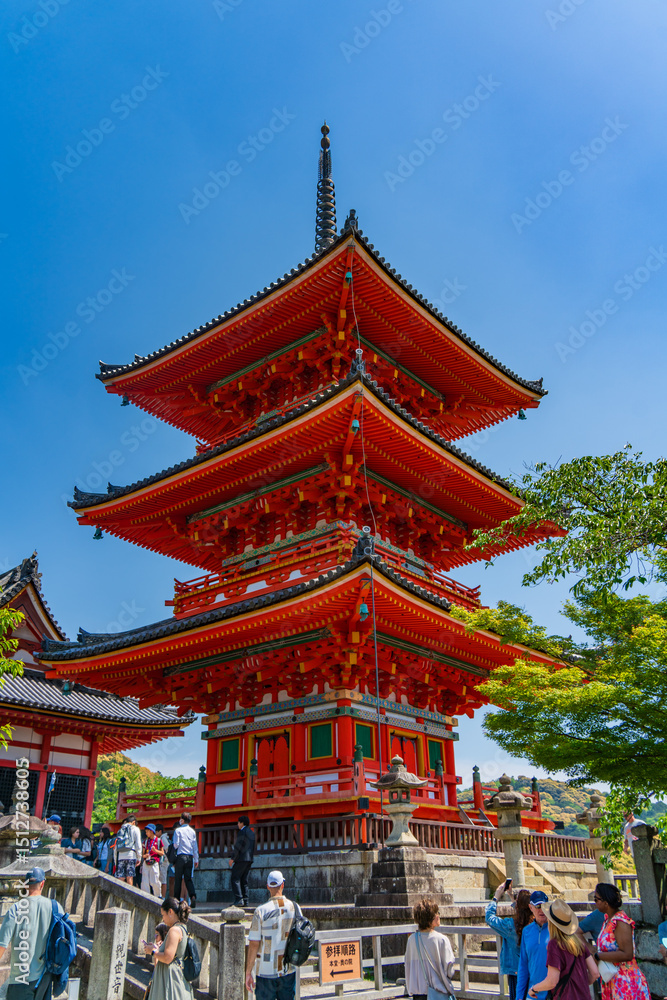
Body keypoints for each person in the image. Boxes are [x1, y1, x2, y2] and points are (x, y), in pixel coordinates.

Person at [0, 865, 65, 999]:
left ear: (25, 886)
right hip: (44, 978)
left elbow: (2, 945)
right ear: (42, 884)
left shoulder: (15, 909)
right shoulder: (55, 907)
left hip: (19, 980)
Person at [528, 898, 599, 999]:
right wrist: (579, 984)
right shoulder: (579, 943)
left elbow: (552, 981)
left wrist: (533, 989)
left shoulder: (554, 945)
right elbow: (595, 973)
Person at [592, 882, 650, 999]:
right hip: (613, 979)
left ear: (606, 902)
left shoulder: (620, 921)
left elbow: (627, 954)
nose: (595, 903)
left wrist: (599, 956)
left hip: (625, 982)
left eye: (596, 899)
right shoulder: (608, 920)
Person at [246, 871, 297, 1000]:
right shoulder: (294, 907)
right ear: (283, 885)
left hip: (265, 971)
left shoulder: (261, 911)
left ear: (268, 886)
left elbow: (254, 943)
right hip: (287, 969)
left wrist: (248, 972)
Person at [485, 883, 531, 1000]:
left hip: (516, 972)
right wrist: (513, 898)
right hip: (533, 971)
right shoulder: (535, 926)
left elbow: (489, 918)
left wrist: (496, 897)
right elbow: (524, 911)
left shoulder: (510, 926)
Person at [404, 897, 456, 1000]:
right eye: (437, 913)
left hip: (418, 994)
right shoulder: (441, 940)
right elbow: (449, 970)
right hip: (437, 993)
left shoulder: (412, 940)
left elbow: (408, 966)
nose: (438, 916)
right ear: (430, 919)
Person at [143, 896, 193, 999]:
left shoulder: (174, 930)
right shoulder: (182, 928)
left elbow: (167, 957)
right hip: (172, 976)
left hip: (170, 979)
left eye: (163, 915)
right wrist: (157, 949)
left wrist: (152, 951)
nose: (163, 919)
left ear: (170, 912)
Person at [517, 890, 550, 1000]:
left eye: (544, 906)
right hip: (533, 995)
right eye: (537, 906)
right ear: (531, 908)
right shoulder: (526, 932)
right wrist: (519, 997)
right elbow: (523, 966)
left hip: (555, 994)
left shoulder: (556, 930)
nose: (541, 910)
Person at [173, 811, 198, 908]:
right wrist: (196, 859)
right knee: (188, 879)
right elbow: (195, 846)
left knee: (178, 879)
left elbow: (176, 844)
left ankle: (176, 900)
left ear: (182, 820)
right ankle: (192, 896)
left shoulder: (178, 831)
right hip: (189, 857)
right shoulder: (192, 831)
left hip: (180, 856)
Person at [229, 814, 255, 907]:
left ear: (241, 823)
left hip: (241, 859)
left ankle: (239, 899)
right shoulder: (252, 833)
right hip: (249, 859)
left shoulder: (242, 832)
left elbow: (238, 846)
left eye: (238, 822)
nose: (238, 824)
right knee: (244, 880)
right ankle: (246, 900)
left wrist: (232, 858)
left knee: (235, 878)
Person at [114, 813, 142, 885]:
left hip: (120, 855)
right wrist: (139, 857)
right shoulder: (135, 829)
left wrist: (115, 860)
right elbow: (138, 844)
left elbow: (116, 845)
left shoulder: (120, 829)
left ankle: (120, 895)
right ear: (133, 822)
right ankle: (129, 895)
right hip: (130, 854)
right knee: (129, 876)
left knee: (121, 877)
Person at [142, 822, 164, 897]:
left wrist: (156, 851)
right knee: (145, 882)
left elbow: (162, 853)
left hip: (154, 862)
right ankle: (145, 896)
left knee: (155, 881)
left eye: (147, 831)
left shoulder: (158, 840)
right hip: (146, 862)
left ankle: (158, 896)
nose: (146, 833)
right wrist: (145, 855)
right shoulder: (145, 841)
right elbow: (143, 854)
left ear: (151, 831)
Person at [156, 823, 171, 896]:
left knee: (163, 880)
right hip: (162, 861)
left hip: (164, 861)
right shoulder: (161, 838)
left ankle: (163, 896)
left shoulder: (163, 838)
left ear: (160, 831)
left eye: (156, 831)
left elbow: (167, 848)